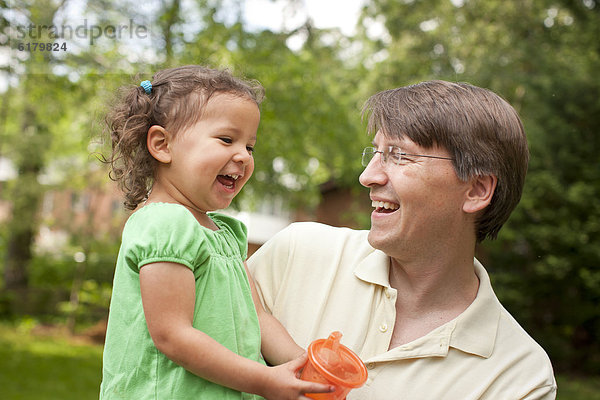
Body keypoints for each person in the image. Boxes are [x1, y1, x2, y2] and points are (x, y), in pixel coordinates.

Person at [248, 80, 557, 399]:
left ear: (477, 190)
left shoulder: (519, 378)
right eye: (376, 152)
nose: (368, 176)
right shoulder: (296, 253)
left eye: (399, 156)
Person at [99, 65, 333, 400]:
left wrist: (300, 364)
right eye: (227, 139)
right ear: (162, 145)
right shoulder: (165, 224)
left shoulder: (225, 234)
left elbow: (259, 317)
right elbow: (173, 335)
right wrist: (264, 380)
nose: (243, 156)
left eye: (250, 146)